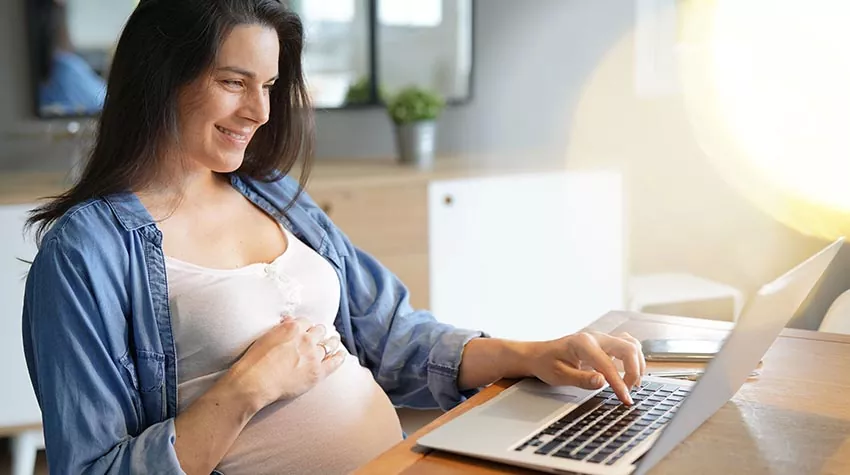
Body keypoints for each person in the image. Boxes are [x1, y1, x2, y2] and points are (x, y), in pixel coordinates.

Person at [21, 1, 646, 474]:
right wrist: (246, 390)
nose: (260, 112)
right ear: (160, 80)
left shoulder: (274, 195)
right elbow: (92, 468)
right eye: (234, 82)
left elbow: (394, 338)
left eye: (266, 86)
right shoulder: (85, 253)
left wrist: (531, 354)